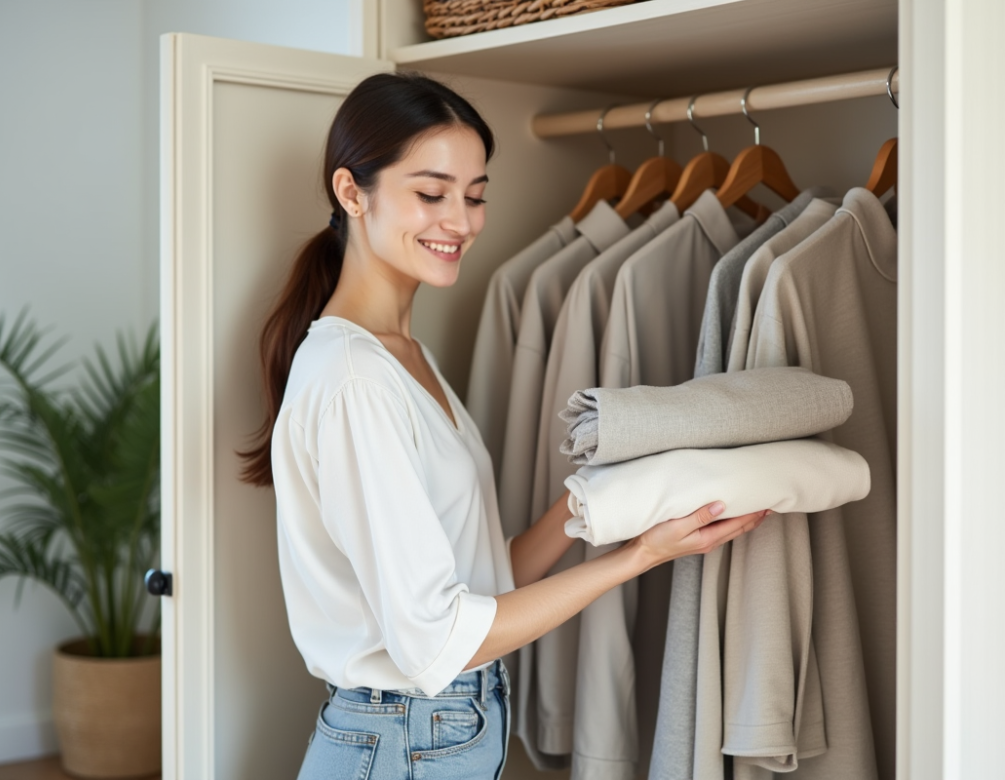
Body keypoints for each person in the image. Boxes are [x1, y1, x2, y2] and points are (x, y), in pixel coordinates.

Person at [239, 72, 768, 780]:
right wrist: (637, 557)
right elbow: (438, 638)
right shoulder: (354, 379)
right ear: (351, 192)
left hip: (427, 732)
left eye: (475, 195)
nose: (460, 222)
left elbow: (483, 580)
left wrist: (599, 498)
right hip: (405, 740)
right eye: (432, 194)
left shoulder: (403, 357)